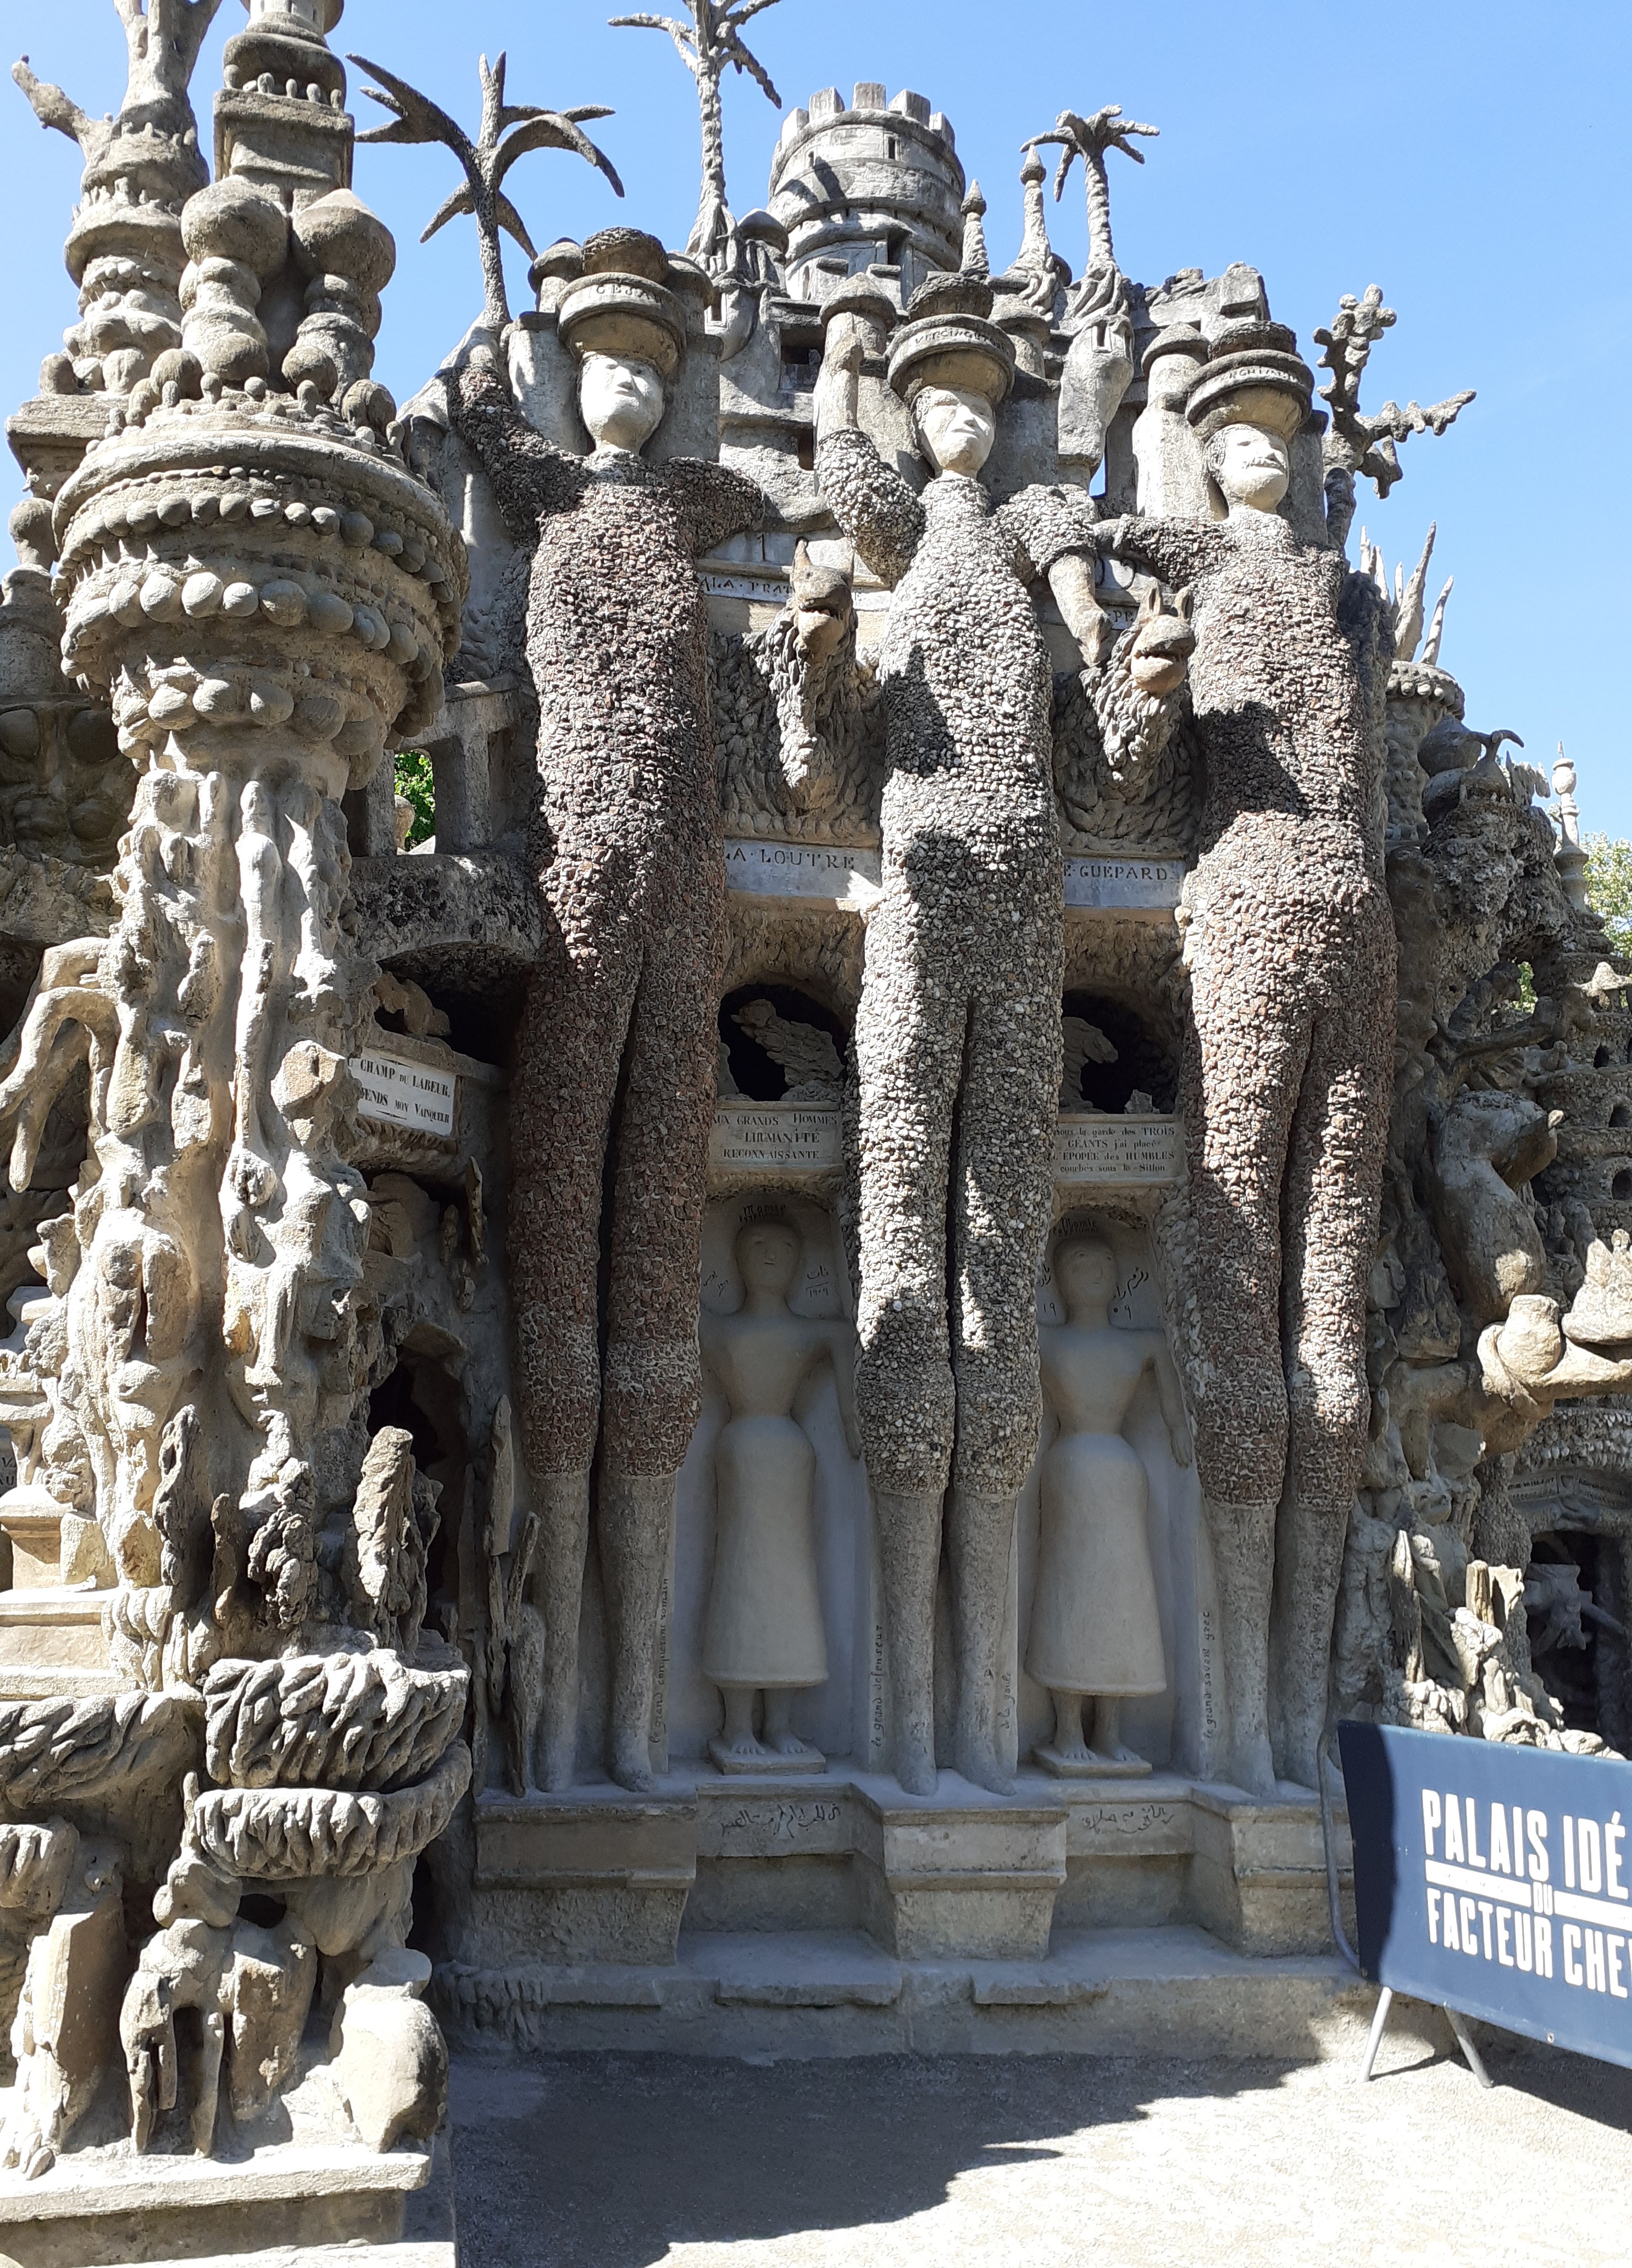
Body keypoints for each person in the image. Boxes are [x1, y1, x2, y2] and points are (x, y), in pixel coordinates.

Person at [451, 227, 763, 1792]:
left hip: (685, 900)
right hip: (576, 882)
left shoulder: (692, 507)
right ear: (568, 380)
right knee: (559, 1244)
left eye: (652, 364)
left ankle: (633, 1712)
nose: (627, 386)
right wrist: (487, 330)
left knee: (653, 1256)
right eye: (603, 363)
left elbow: (770, 496)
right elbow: (479, 423)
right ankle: (556, 1708)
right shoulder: (553, 498)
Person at [813, 235, 1108, 1796]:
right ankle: (910, 1727)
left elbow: (1080, 585)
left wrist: (1098, 621)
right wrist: (843, 354)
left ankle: (984, 1724)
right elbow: (843, 471)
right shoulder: (897, 527)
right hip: (922, 874)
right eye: (937, 404)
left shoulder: (1031, 520)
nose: (963, 426)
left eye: (982, 407)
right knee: (902, 1242)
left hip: (1027, 886)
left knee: (1000, 1245)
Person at [1089, 323, 1397, 1792]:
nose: (1261, 447)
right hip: (1245, 911)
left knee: (1329, 1315)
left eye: (1280, 426)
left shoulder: (1342, 594)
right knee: (1234, 1270)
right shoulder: (1186, 567)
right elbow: (1133, 766)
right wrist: (1143, 682)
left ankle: (1296, 1715)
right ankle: (1234, 1722)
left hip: (1356, 925)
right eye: (1233, 432)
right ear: (1200, 456)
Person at [700, 1212, 861, 1770]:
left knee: (790, 1590)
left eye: (785, 1247)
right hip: (744, 1455)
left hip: (789, 1462)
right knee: (739, 1581)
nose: (771, 1255)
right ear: (738, 1258)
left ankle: (781, 1724)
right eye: (759, 1244)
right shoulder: (719, 1330)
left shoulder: (814, 1332)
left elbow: (844, 1343)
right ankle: (737, 1724)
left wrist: (857, 1420)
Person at [1028, 1234, 1190, 1776]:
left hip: (1120, 1476)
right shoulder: (1045, 1340)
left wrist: (1180, 1431)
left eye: (1104, 1259)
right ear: (1058, 1278)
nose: (1095, 1268)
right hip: (1072, 1469)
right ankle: (1068, 1728)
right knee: (1070, 1593)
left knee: (1124, 1600)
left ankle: (1112, 1731)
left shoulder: (1145, 1344)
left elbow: (1174, 1408)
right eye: (1080, 1259)